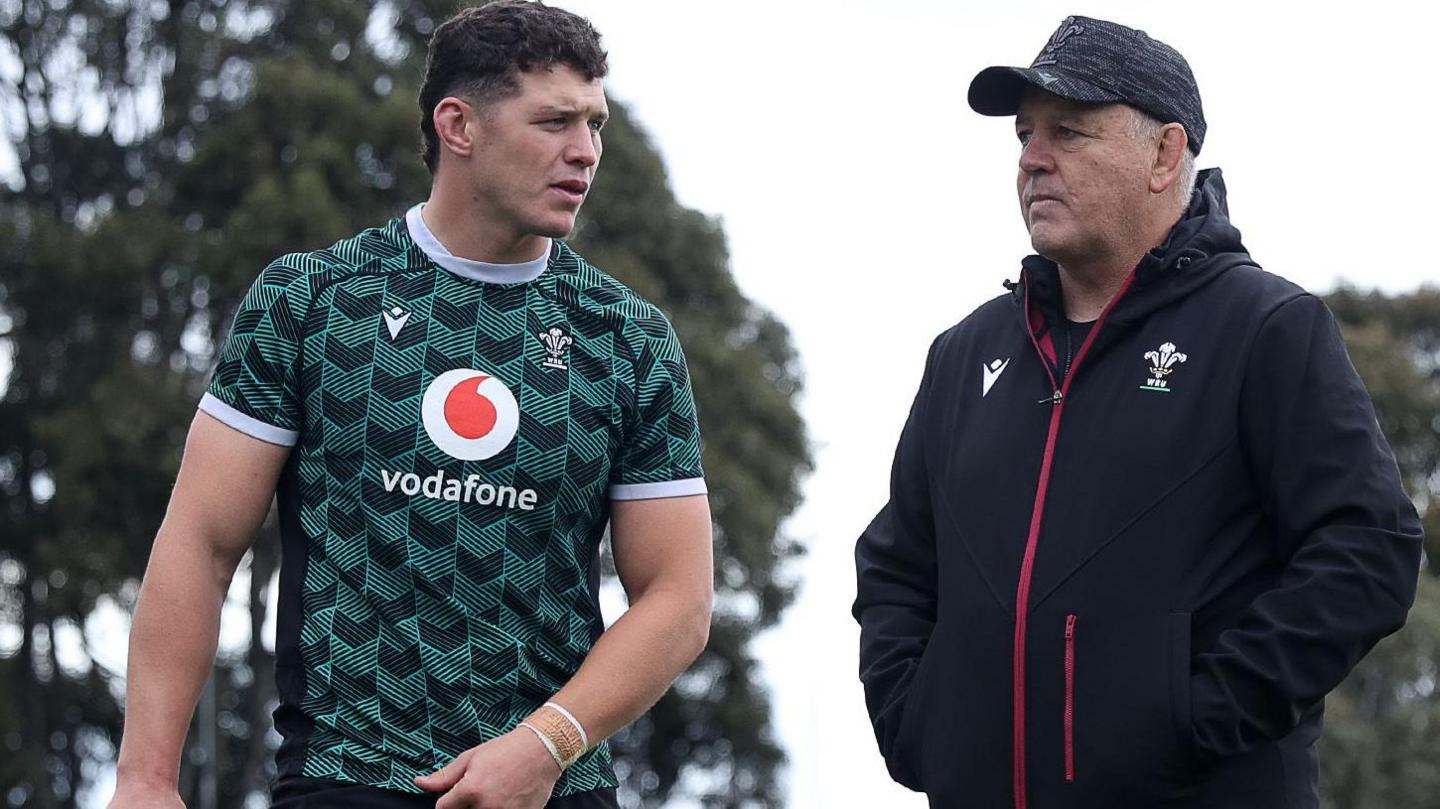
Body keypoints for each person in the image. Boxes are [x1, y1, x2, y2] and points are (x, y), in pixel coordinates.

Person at [107, 3, 713, 808]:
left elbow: (680, 597)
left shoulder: (629, 339)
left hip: (550, 788)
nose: (587, 152)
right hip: (343, 779)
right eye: (555, 121)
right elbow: (202, 541)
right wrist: (145, 778)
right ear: (458, 126)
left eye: (595, 123)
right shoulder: (310, 299)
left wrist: (545, 743)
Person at [852, 15, 1423, 809]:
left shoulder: (1266, 329)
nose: (1032, 159)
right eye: (1023, 135)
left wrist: (1195, 717)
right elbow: (896, 568)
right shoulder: (963, 353)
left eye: (1069, 132)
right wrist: (920, 724)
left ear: (1164, 154)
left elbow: (1370, 548)